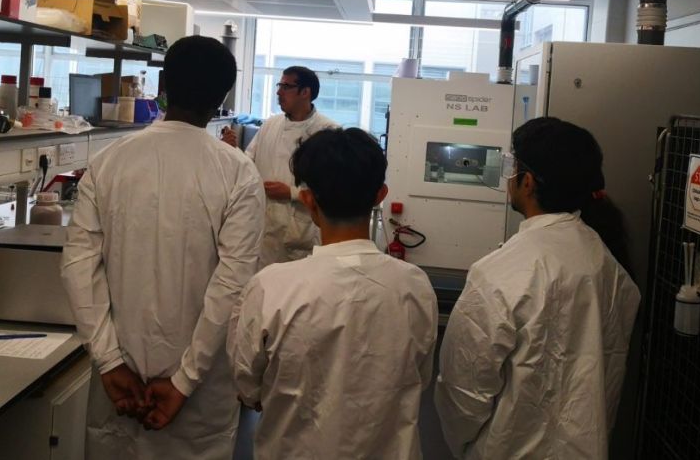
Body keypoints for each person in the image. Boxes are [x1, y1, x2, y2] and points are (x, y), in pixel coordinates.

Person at [61, 36, 265, 460]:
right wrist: (184, 380)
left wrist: (110, 361)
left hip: (120, 381)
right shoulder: (238, 172)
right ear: (223, 96)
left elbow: (79, 267)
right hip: (197, 392)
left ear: (163, 84)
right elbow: (232, 286)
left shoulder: (111, 160)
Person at [434, 117, 640, 460]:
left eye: (512, 166)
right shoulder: (610, 266)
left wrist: (466, 447)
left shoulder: (500, 273)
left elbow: (463, 392)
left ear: (528, 182)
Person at [228, 128, 438, 459]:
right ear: (380, 194)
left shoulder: (270, 287)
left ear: (308, 200)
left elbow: (246, 385)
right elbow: (421, 376)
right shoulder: (415, 285)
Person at [222, 65, 338, 267]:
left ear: (305, 92)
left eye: (285, 86)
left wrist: (292, 193)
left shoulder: (328, 132)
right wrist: (232, 151)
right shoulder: (270, 125)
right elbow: (248, 165)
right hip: (265, 230)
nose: (278, 91)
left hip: (302, 233)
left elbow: (334, 189)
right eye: (279, 85)